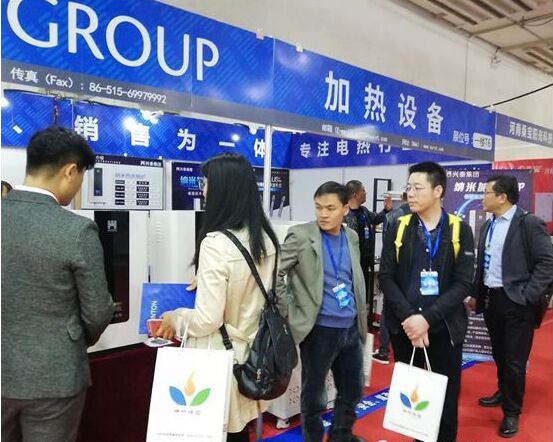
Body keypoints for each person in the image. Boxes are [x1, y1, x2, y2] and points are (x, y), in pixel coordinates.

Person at [155, 153, 279, 442]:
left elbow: (207, 320)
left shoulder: (216, 244)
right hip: (251, 355)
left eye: (207, 182)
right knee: (238, 432)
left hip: (219, 357)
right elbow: (252, 286)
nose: (204, 189)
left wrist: (175, 318)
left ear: (223, 188)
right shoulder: (265, 237)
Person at [1, 127, 114, 442]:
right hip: (55, 377)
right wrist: (70, 340)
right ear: (70, 171)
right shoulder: (77, 231)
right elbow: (97, 312)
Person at [379, 161, 475, 442]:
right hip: (405, 329)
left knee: (444, 400)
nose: (410, 193)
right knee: (414, 399)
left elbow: (463, 283)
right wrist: (411, 318)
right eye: (408, 187)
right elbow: (386, 276)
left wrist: (426, 319)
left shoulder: (459, 230)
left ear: (438, 191)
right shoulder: (398, 227)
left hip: (444, 330)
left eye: (417, 188)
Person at [276, 181, 368, 442]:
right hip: (318, 329)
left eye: (330, 208)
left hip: (350, 326)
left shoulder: (352, 237)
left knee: (352, 390)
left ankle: (341, 435)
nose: (323, 214)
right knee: (314, 396)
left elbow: (351, 277)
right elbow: (274, 273)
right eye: (318, 208)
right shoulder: (301, 235)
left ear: (345, 209)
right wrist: (290, 310)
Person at [468, 175, 553, 438]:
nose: (482, 197)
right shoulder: (489, 225)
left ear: (502, 197)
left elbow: (547, 263)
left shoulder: (528, 223)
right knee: (499, 353)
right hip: (492, 300)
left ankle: (511, 411)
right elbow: (484, 264)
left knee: (515, 360)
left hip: (517, 302)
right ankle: (503, 391)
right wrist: (476, 294)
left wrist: (528, 295)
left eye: (486, 193)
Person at [343, 180, 392, 326]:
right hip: (351, 266)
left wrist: (386, 211)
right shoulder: (345, 214)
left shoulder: (363, 211)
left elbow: (376, 219)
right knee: (351, 295)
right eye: (363, 190)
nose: (366, 193)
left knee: (362, 296)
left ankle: (362, 323)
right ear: (355, 194)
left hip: (365, 263)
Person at [373, 192, 410, 364]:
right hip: (412, 278)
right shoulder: (424, 218)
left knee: (388, 310)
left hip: (393, 274)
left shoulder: (393, 216)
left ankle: (383, 350)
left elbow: (387, 247)